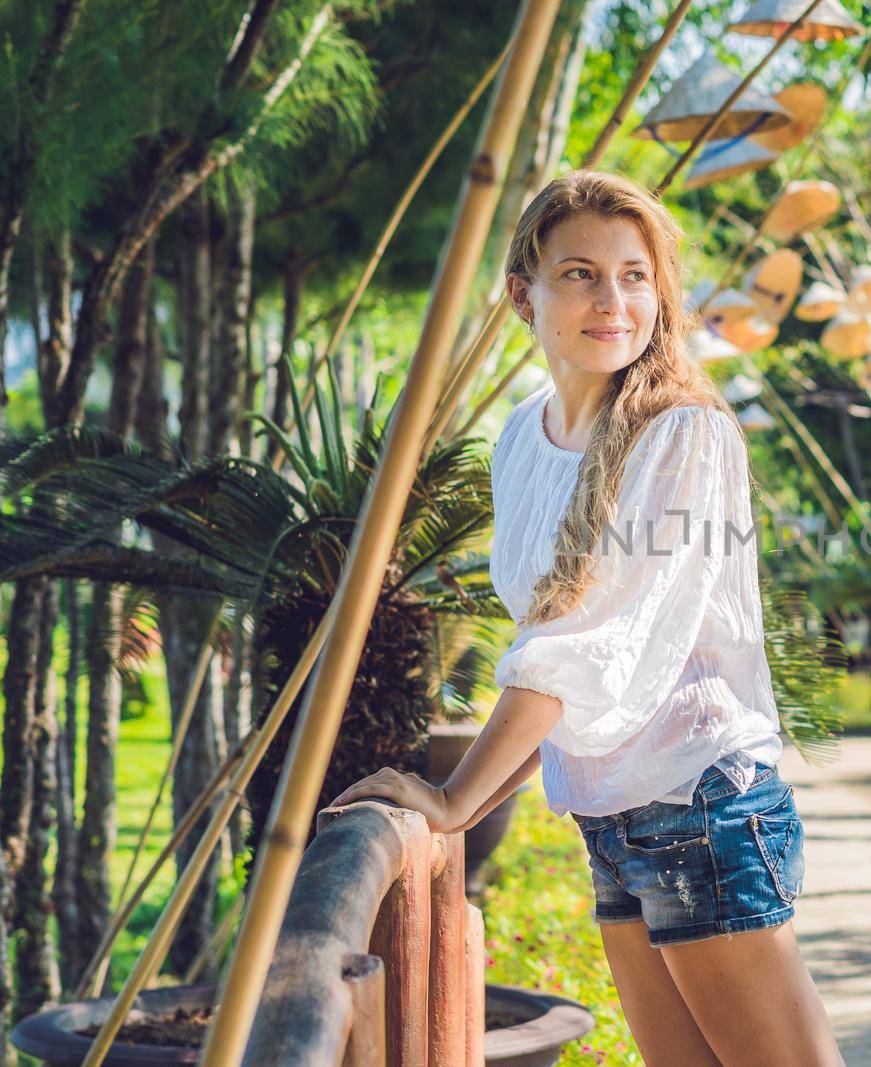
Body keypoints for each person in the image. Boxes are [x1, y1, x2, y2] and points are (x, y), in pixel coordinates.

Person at [333, 169, 844, 1066]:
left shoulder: (683, 432)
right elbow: (553, 652)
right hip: (609, 816)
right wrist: (470, 794)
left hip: (700, 805)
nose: (613, 299)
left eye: (635, 274)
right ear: (522, 293)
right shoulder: (523, 440)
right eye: (580, 273)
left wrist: (454, 801)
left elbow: (586, 650)